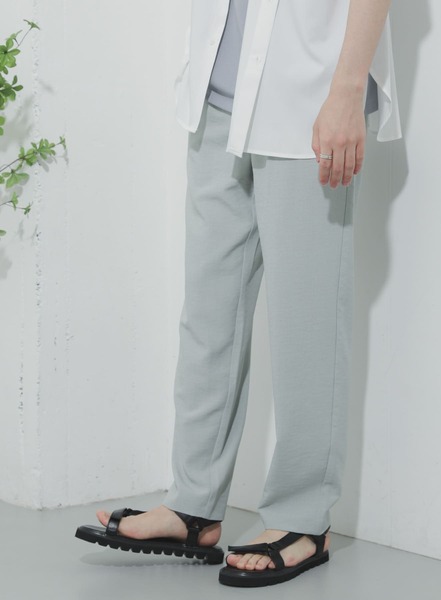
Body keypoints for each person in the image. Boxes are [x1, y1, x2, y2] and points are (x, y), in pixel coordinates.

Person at [75, 0, 402, 588]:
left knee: (306, 324)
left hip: (308, 97)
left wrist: (348, 91)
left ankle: (303, 519)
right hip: (219, 92)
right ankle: (194, 505)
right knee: (208, 316)